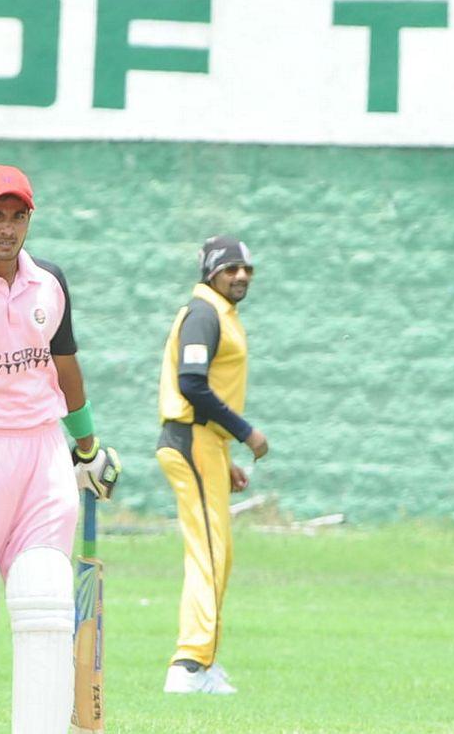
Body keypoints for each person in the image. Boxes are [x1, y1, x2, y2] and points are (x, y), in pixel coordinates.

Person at [0, 164, 121, 733]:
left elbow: (66, 368)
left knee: (46, 597)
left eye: (17, 217)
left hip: (43, 454)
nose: (7, 229)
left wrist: (87, 448)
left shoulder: (50, 282)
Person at [157, 235, 270, 696]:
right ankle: (188, 666)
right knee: (207, 553)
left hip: (205, 445)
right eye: (230, 268)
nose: (240, 275)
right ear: (210, 273)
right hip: (189, 438)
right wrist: (246, 432)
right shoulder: (204, 312)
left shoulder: (221, 312)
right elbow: (192, 385)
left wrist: (223, 456)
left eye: (247, 269)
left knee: (218, 553)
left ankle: (202, 661)